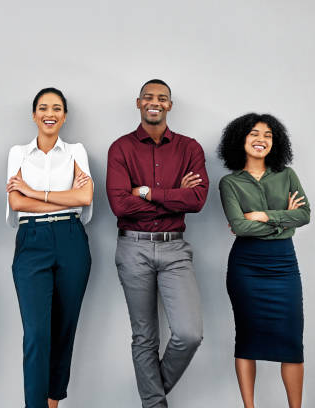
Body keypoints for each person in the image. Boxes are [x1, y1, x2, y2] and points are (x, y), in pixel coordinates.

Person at [106, 79, 208, 408]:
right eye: (148, 97)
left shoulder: (189, 148)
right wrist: (173, 195)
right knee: (145, 337)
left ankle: (151, 398)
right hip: (132, 248)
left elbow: (197, 200)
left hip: (175, 248)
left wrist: (146, 191)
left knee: (189, 334)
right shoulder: (120, 148)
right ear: (138, 103)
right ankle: (155, 404)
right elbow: (120, 205)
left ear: (170, 106)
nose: (155, 102)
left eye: (162, 98)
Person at [6, 87, 93, 408]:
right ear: (34, 114)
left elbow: (84, 198)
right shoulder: (18, 153)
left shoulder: (76, 152)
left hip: (72, 241)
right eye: (43, 107)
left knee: (63, 331)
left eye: (57, 108)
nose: (50, 113)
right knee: (36, 335)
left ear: (65, 116)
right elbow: (16, 202)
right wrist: (57, 198)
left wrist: (35, 194)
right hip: (31, 243)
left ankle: (52, 404)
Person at [217, 113, 309, 408]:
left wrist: (264, 215)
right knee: (247, 338)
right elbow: (240, 227)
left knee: (292, 343)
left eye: (268, 135)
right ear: (240, 140)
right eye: (254, 133)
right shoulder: (229, 182)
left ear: (276, 141)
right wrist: (285, 220)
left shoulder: (287, 175)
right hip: (247, 268)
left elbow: (304, 215)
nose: (261, 139)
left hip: (284, 266)